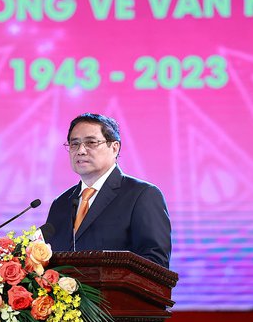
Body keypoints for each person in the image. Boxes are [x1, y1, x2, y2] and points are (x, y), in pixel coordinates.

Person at [45, 113, 171, 268]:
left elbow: (156, 262)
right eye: (74, 144)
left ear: (114, 148)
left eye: (91, 142)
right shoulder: (60, 204)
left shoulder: (142, 195)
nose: (81, 150)